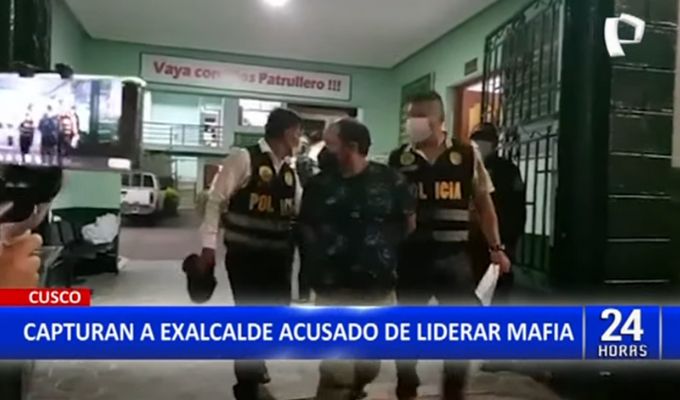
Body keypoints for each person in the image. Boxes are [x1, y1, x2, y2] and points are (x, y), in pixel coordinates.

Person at [388, 91, 511, 400]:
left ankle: (454, 389)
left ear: (439, 120)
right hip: (411, 256)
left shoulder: (467, 155)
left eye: (419, 115)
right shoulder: (398, 159)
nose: (412, 122)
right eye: (409, 116)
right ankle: (406, 380)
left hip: (454, 256)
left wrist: (496, 248)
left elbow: (484, 204)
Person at [299, 119, 416, 400]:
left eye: (331, 144)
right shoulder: (319, 185)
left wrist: (381, 250)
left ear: (351, 147)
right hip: (332, 287)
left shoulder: (391, 181)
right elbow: (306, 227)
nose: (324, 151)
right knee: (336, 370)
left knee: (368, 364)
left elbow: (409, 223)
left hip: (377, 287)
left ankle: (355, 388)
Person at [198, 108, 302, 400]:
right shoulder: (244, 158)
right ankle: (246, 383)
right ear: (287, 133)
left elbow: (299, 208)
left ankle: (255, 361)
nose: (300, 138)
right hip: (246, 255)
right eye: (298, 132)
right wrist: (208, 246)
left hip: (278, 257)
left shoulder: (289, 172)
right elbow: (215, 201)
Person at [469, 123, 526, 304]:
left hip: (500, 239)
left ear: (494, 144)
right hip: (472, 241)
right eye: (476, 139)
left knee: (499, 289)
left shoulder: (507, 170)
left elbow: (516, 209)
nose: (480, 144)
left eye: (485, 140)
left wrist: (507, 243)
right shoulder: (465, 168)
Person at [293, 129, 325, 302]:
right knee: (308, 258)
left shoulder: (300, 161)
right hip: (308, 216)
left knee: (306, 259)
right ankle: (308, 293)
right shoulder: (306, 163)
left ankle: (305, 294)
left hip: (304, 214)